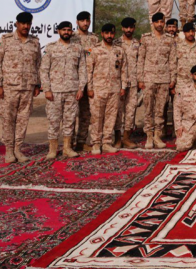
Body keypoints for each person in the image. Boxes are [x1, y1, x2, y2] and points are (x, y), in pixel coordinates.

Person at [0, 12, 41, 163]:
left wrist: (38, 84)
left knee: (23, 120)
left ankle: (18, 149)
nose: (26, 26)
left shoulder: (35, 42)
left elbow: (38, 64)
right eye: (23, 23)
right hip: (9, 87)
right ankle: (8, 151)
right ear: (17, 24)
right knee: (8, 119)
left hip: (27, 88)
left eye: (28, 24)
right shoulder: (5, 40)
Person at [41, 21, 88, 159]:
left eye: (68, 30)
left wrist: (81, 88)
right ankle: (52, 150)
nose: (66, 32)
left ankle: (67, 148)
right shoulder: (51, 48)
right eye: (63, 30)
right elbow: (44, 70)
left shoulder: (78, 48)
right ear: (58, 31)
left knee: (70, 120)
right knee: (54, 121)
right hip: (54, 91)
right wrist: (47, 89)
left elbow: (82, 69)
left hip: (72, 91)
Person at [87, 23, 130, 154]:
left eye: (111, 33)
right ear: (102, 34)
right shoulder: (94, 50)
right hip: (98, 89)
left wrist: (123, 86)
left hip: (114, 89)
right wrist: (89, 87)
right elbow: (89, 70)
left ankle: (106, 142)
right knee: (97, 117)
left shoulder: (119, 50)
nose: (109, 36)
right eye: (107, 33)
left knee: (111, 117)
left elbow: (124, 70)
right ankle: (96, 143)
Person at [138, 13, 177, 149]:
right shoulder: (146, 38)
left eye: (162, 22)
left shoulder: (170, 39)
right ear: (153, 23)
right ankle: (149, 135)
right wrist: (140, 78)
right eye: (157, 22)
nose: (160, 24)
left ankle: (157, 136)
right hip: (149, 78)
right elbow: (141, 59)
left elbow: (172, 60)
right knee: (148, 108)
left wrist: (173, 79)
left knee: (161, 109)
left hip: (164, 79)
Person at [73, 11, 100, 153]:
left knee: (86, 114)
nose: (85, 23)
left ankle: (81, 141)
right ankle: (68, 143)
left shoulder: (94, 39)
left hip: (89, 81)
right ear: (77, 22)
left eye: (87, 20)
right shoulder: (71, 38)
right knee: (70, 114)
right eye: (82, 20)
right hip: (73, 81)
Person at [115, 17, 141, 148]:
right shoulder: (116, 43)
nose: (129, 30)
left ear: (134, 28)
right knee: (118, 111)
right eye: (126, 27)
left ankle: (126, 137)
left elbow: (140, 62)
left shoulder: (137, 44)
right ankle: (116, 138)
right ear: (122, 28)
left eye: (131, 27)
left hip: (133, 82)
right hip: (118, 83)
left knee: (130, 111)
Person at [175, 23, 196, 93]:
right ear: (184, 33)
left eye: (192, 31)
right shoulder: (178, 46)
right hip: (181, 83)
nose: (191, 34)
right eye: (188, 32)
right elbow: (173, 64)